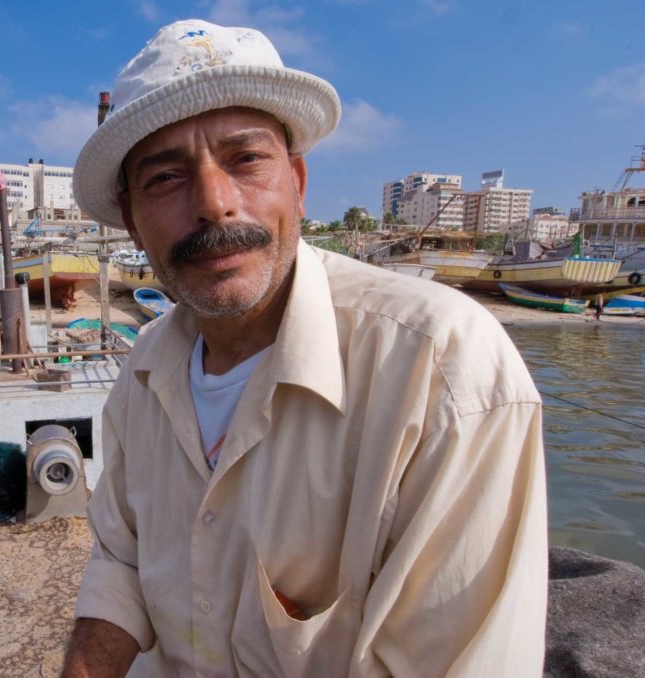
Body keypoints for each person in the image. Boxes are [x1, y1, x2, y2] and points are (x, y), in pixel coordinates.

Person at [63, 19, 547, 677]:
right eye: (167, 179)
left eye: (245, 159)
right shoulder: (144, 371)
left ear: (297, 183)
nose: (214, 204)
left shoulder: (446, 373)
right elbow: (120, 559)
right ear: (133, 225)